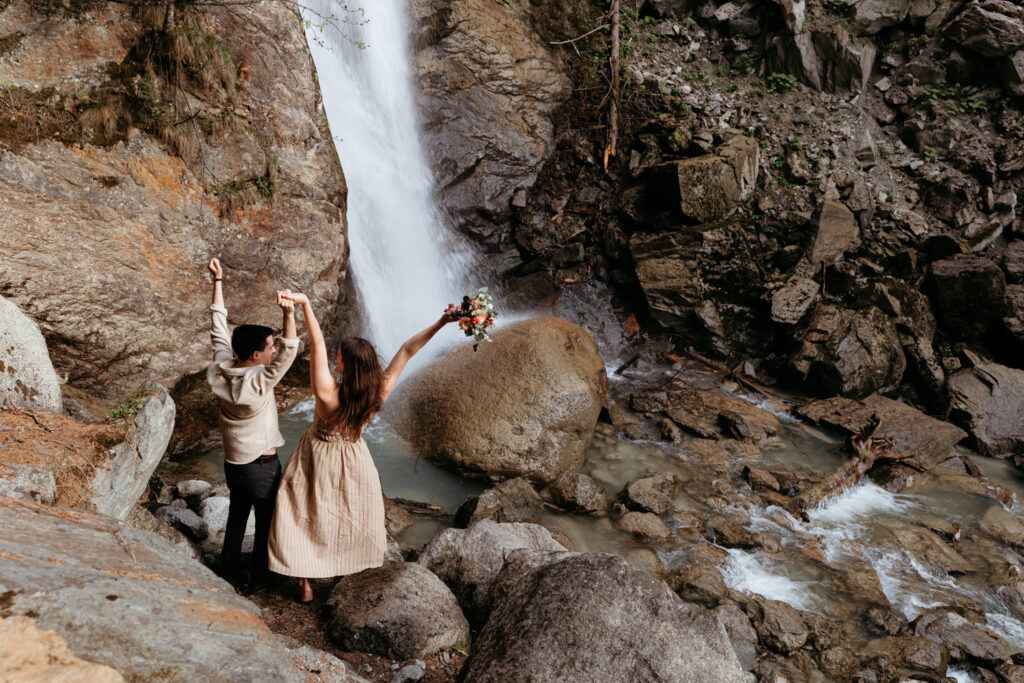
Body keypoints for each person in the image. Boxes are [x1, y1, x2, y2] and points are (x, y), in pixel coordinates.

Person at [268, 291, 455, 603]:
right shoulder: (378, 392)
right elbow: (408, 350)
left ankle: (304, 580)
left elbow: (316, 343)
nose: (335, 357)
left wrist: (306, 305)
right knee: (350, 513)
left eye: (339, 356)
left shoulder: (327, 393)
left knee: (299, 509)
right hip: (355, 456)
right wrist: (442, 322)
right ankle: (345, 570)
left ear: (344, 364)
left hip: (319, 453)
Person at [206, 257, 301, 590]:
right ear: (257, 356)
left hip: (234, 464)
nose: (273, 349)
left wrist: (218, 281)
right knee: (265, 522)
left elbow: (218, 327)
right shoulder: (259, 382)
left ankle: (228, 568)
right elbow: (290, 351)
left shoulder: (221, 368)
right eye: (269, 347)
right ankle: (258, 578)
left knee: (236, 516)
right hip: (261, 466)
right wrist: (289, 314)